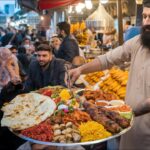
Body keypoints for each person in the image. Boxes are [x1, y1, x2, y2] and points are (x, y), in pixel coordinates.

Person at [69, 1, 150, 150]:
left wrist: (128, 112)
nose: (146, 22)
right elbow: (107, 59)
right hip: (129, 130)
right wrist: (80, 69)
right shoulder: (137, 43)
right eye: (145, 16)